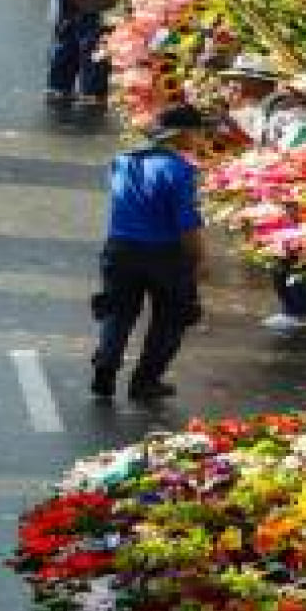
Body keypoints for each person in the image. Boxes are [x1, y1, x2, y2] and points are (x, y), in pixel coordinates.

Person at [90, 104, 210, 404]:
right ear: (182, 135)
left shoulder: (121, 161)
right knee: (171, 318)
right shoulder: (180, 171)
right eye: (198, 133)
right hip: (164, 255)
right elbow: (187, 224)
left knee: (117, 312)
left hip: (119, 249)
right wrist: (198, 259)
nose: (200, 139)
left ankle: (106, 365)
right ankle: (145, 382)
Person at [217, 55, 306, 330]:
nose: (232, 87)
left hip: (291, 191)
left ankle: (305, 308)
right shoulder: (267, 110)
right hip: (281, 190)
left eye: (238, 81)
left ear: (256, 84)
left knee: (290, 248)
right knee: (292, 249)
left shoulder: (288, 113)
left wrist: (270, 171)